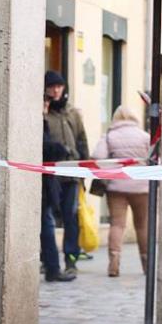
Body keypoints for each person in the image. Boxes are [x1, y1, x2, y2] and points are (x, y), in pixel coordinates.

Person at [91, 105, 150, 277]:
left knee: (117, 225)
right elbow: (156, 158)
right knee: (142, 226)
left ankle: (114, 266)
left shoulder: (109, 136)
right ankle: (146, 265)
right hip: (141, 187)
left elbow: (97, 156)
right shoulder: (144, 136)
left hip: (116, 186)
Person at [43, 70, 88, 276]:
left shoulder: (72, 112)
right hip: (51, 174)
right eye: (52, 87)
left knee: (71, 216)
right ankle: (48, 258)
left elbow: (82, 140)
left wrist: (85, 169)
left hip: (71, 173)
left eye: (59, 86)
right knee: (48, 218)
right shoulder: (44, 112)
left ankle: (71, 258)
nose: (56, 90)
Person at [41, 94, 75, 282]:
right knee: (47, 224)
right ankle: (52, 268)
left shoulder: (44, 120)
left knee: (48, 223)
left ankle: (51, 267)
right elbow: (43, 147)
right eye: (44, 101)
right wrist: (61, 149)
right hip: (42, 182)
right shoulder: (38, 122)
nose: (47, 105)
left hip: (47, 181)